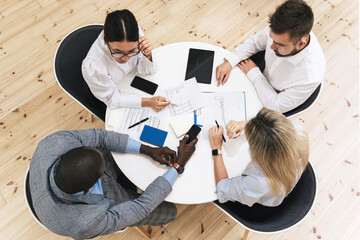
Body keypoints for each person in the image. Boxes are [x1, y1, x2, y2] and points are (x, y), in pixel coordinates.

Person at [29, 129, 197, 239]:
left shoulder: (53, 143)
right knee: (169, 212)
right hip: (101, 205)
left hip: (85, 175)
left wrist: (147, 150)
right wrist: (177, 166)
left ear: (64, 155)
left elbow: (100, 137)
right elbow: (141, 206)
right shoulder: (85, 223)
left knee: (117, 149)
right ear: (88, 190)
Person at [216, 0, 325, 113]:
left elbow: (276, 106)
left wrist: (254, 73)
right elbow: (255, 42)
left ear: (301, 44)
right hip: (259, 72)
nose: (271, 47)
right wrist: (230, 61)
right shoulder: (280, 29)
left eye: (280, 45)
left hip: (272, 96)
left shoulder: (310, 77)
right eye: (272, 39)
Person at [209, 108, 309, 219]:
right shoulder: (297, 132)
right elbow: (273, 129)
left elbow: (222, 188)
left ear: (259, 152)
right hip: (283, 184)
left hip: (260, 208)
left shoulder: (258, 183)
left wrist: (217, 148)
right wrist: (245, 125)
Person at [82, 9, 170, 112]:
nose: (125, 58)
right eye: (118, 51)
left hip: (131, 81)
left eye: (131, 51)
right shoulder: (94, 66)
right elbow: (112, 99)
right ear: (105, 38)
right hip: (112, 92)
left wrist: (148, 55)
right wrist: (149, 102)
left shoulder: (135, 34)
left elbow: (148, 70)